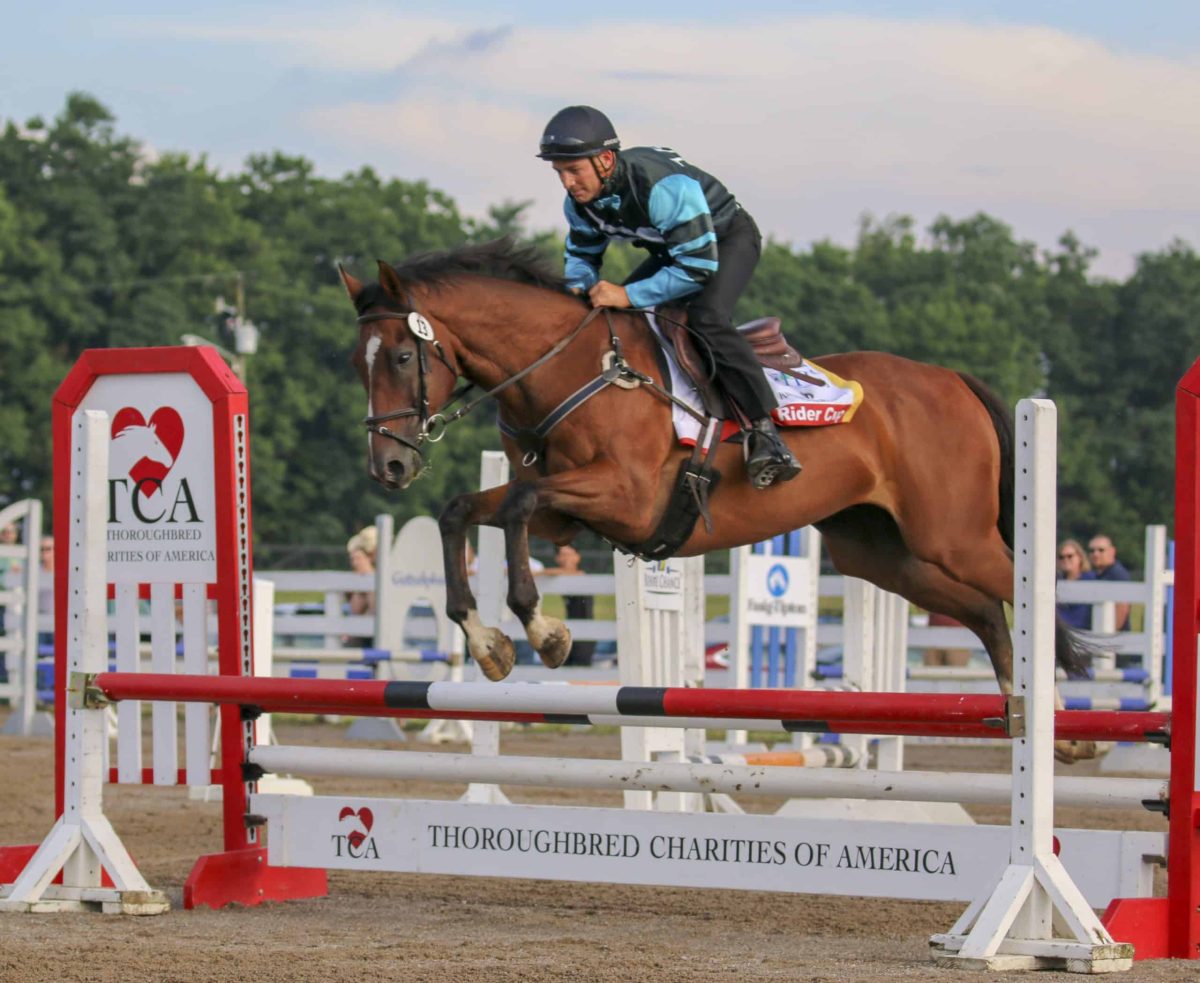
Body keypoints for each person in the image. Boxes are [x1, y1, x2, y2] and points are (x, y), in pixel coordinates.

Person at [536, 105, 801, 489]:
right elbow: (581, 256)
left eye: (573, 170)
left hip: (725, 244)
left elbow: (696, 269)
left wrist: (627, 293)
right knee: (615, 317)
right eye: (559, 172)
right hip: (672, 251)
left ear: (606, 160)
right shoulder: (579, 203)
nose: (567, 183)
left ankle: (767, 433)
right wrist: (577, 289)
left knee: (707, 317)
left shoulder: (661, 188)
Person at [539, 544, 596, 666]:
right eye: (563, 555)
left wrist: (542, 572)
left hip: (585, 632)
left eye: (569, 554)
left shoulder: (582, 576)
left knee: (582, 669)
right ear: (557, 559)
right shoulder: (560, 579)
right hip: (568, 633)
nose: (566, 558)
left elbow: (574, 574)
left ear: (577, 557)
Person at [1087, 534, 1131, 631]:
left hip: (1113, 639)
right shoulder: (1096, 575)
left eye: (1101, 550)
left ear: (1112, 551)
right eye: (1092, 550)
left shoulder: (1117, 575)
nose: (1095, 554)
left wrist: (1108, 637)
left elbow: (1121, 609)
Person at [344, 526, 378, 646]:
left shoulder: (373, 579)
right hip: (360, 637)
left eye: (358, 558)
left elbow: (374, 611)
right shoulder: (356, 582)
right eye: (352, 559)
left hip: (368, 637)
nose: (354, 563)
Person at [1056, 538, 1095, 630]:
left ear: (1080, 557)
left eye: (1070, 556)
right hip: (1060, 631)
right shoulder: (1057, 581)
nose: (1065, 560)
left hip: (1083, 631)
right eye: (1061, 557)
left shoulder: (1090, 579)